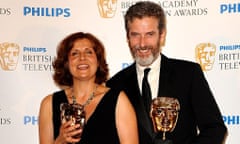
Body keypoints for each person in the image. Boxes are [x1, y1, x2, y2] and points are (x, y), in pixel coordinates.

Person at [106, 1, 227, 144]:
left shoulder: (188, 74)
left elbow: (215, 128)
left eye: (149, 34)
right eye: (135, 35)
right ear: (128, 38)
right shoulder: (115, 85)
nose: (142, 43)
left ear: (162, 35)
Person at [38, 32, 138, 144]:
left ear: (98, 61)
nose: (82, 58)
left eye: (89, 52)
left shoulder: (118, 100)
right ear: (66, 63)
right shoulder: (49, 104)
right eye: (75, 53)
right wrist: (59, 141)